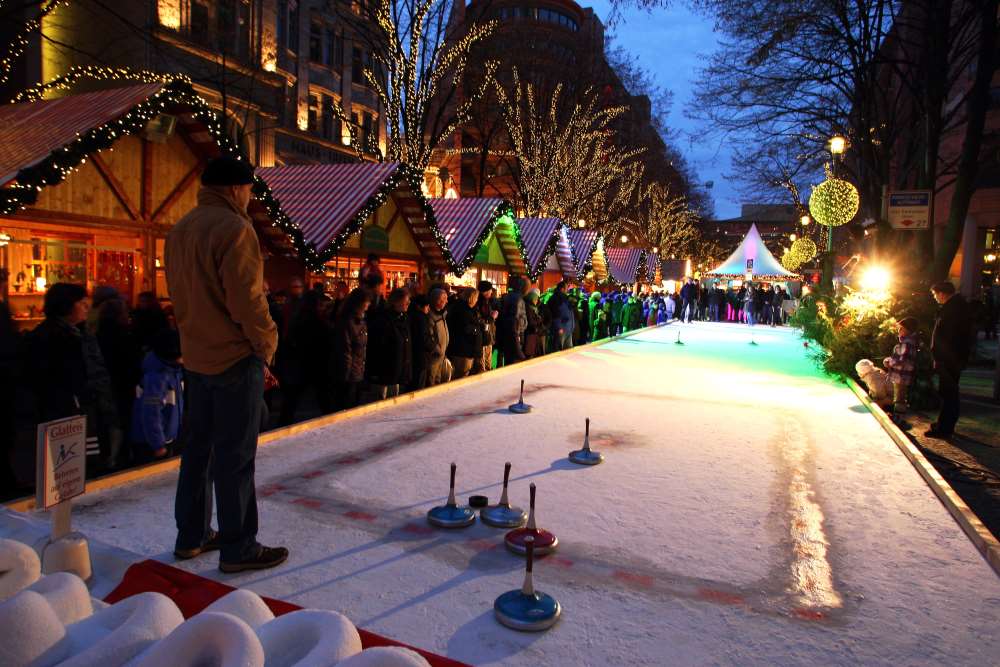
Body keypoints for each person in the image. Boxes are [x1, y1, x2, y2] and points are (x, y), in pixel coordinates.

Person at [165, 156, 285, 573]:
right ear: (236, 188)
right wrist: (266, 344)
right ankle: (239, 546)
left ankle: (191, 535)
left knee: (197, 451)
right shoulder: (235, 229)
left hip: (196, 358)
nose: (250, 198)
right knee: (235, 456)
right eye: (249, 189)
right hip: (234, 359)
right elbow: (247, 301)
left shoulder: (180, 230)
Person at [95, 297, 142, 469]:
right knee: (121, 419)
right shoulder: (123, 334)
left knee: (109, 421)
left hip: (106, 382)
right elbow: (130, 360)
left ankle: (109, 456)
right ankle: (117, 457)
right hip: (121, 382)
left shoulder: (97, 333)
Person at [278, 291, 333, 425]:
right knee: (323, 398)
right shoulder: (316, 322)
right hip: (313, 365)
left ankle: (283, 423)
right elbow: (323, 343)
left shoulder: (298, 319)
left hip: (301, 364)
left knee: (292, 399)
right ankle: (332, 421)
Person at [927, 281, 973, 438]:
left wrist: (940, 358)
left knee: (949, 392)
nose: (935, 298)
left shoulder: (954, 309)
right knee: (948, 392)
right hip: (951, 358)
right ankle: (944, 424)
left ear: (942, 293)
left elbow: (949, 337)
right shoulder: (956, 306)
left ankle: (945, 428)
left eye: (935, 294)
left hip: (950, 359)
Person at [131, 329, 184, 461]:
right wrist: (158, 444)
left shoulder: (174, 371)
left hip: (166, 437)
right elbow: (151, 412)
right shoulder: (157, 377)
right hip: (152, 444)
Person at [366, 288, 413, 399]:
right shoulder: (383, 320)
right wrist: (376, 373)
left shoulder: (404, 319)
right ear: (396, 302)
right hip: (385, 373)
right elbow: (376, 348)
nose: (409, 303)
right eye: (406, 300)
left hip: (398, 372)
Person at [331, 288, 369, 410]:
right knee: (346, 407)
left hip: (357, 371)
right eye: (366, 302)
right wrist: (346, 376)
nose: (368, 305)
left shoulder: (361, 321)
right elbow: (345, 351)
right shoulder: (347, 322)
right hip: (349, 375)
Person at [883, 316, 919, 423]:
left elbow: (901, 360)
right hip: (901, 375)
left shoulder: (907, 344)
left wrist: (889, 362)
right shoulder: (907, 343)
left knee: (900, 397)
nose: (899, 331)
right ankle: (898, 415)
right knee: (899, 396)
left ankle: (899, 418)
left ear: (908, 330)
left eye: (901, 328)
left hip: (901, 376)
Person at [447, 287, 482, 377]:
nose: (477, 300)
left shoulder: (469, 309)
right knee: (461, 376)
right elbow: (463, 328)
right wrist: (476, 329)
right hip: (463, 351)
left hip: (469, 350)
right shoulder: (462, 310)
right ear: (471, 298)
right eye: (476, 298)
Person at [497, 276, 528, 364]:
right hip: (515, 335)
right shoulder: (518, 299)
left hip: (508, 334)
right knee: (513, 361)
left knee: (509, 359)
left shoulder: (509, 296)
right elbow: (515, 321)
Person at [426, 288, 451, 385]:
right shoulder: (431, 316)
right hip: (434, 355)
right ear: (436, 300)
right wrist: (436, 348)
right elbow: (429, 335)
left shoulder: (443, 314)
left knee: (438, 378)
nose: (446, 301)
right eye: (443, 299)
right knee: (431, 379)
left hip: (442, 352)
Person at [475, 281, 499, 373]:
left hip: (488, 335)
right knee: (482, 365)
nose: (491, 292)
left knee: (488, 362)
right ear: (484, 292)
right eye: (489, 291)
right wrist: (492, 317)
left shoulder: (488, 302)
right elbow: (480, 321)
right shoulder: (479, 303)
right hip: (482, 337)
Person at [548, 281, 575, 351]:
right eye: (566, 288)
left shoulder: (565, 298)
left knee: (568, 350)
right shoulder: (555, 299)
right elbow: (555, 314)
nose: (567, 290)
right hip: (561, 329)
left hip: (567, 328)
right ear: (562, 289)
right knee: (558, 350)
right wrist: (559, 327)